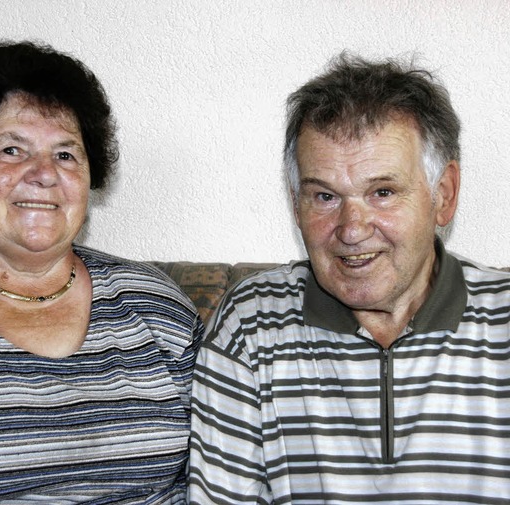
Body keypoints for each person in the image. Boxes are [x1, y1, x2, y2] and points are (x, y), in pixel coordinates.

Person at [0, 40, 202, 504]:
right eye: (11, 149)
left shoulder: (156, 307)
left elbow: (215, 479)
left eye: (66, 155)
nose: (44, 173)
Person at [188, 53, 510, 504]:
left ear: (443, 195)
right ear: (295, 203)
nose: (352, 229)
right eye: (324, 196)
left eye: (382, 192)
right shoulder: (249, 327)